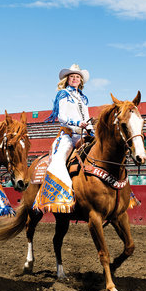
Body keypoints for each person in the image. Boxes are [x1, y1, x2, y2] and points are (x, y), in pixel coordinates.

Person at [33, 64, 94, 213]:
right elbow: (61, 116)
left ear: (81, 81)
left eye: (77, 77)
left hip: (83, 134)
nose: (75, 79)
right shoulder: (63, 94)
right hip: (67, 134)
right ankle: (58, 197)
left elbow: (87, 117)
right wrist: (78, 123)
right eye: (72, 77)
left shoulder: (83, 98)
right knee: (58, 160)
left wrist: (91, 131)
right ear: (67, 79)